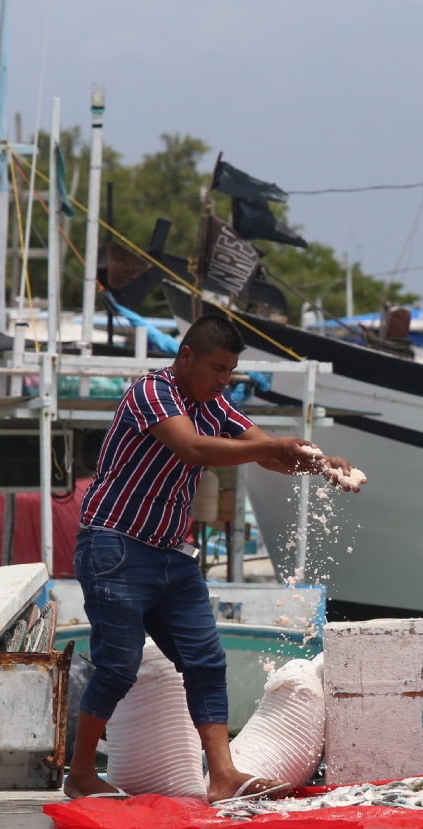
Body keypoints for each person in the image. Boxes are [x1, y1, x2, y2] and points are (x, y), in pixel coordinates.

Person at [64, 313, 360, 802]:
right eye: (217, 368)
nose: (224, 380)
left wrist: (319, 464)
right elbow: (194, 448)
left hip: (171, 554)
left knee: (205, 660)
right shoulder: (152, 393)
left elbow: (263, 452)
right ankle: (80, 773)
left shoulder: (215, 402)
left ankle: (223, 776)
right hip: (115, 544)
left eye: (230, 372)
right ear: (187, 357)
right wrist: (279, 448)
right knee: (118, 664)